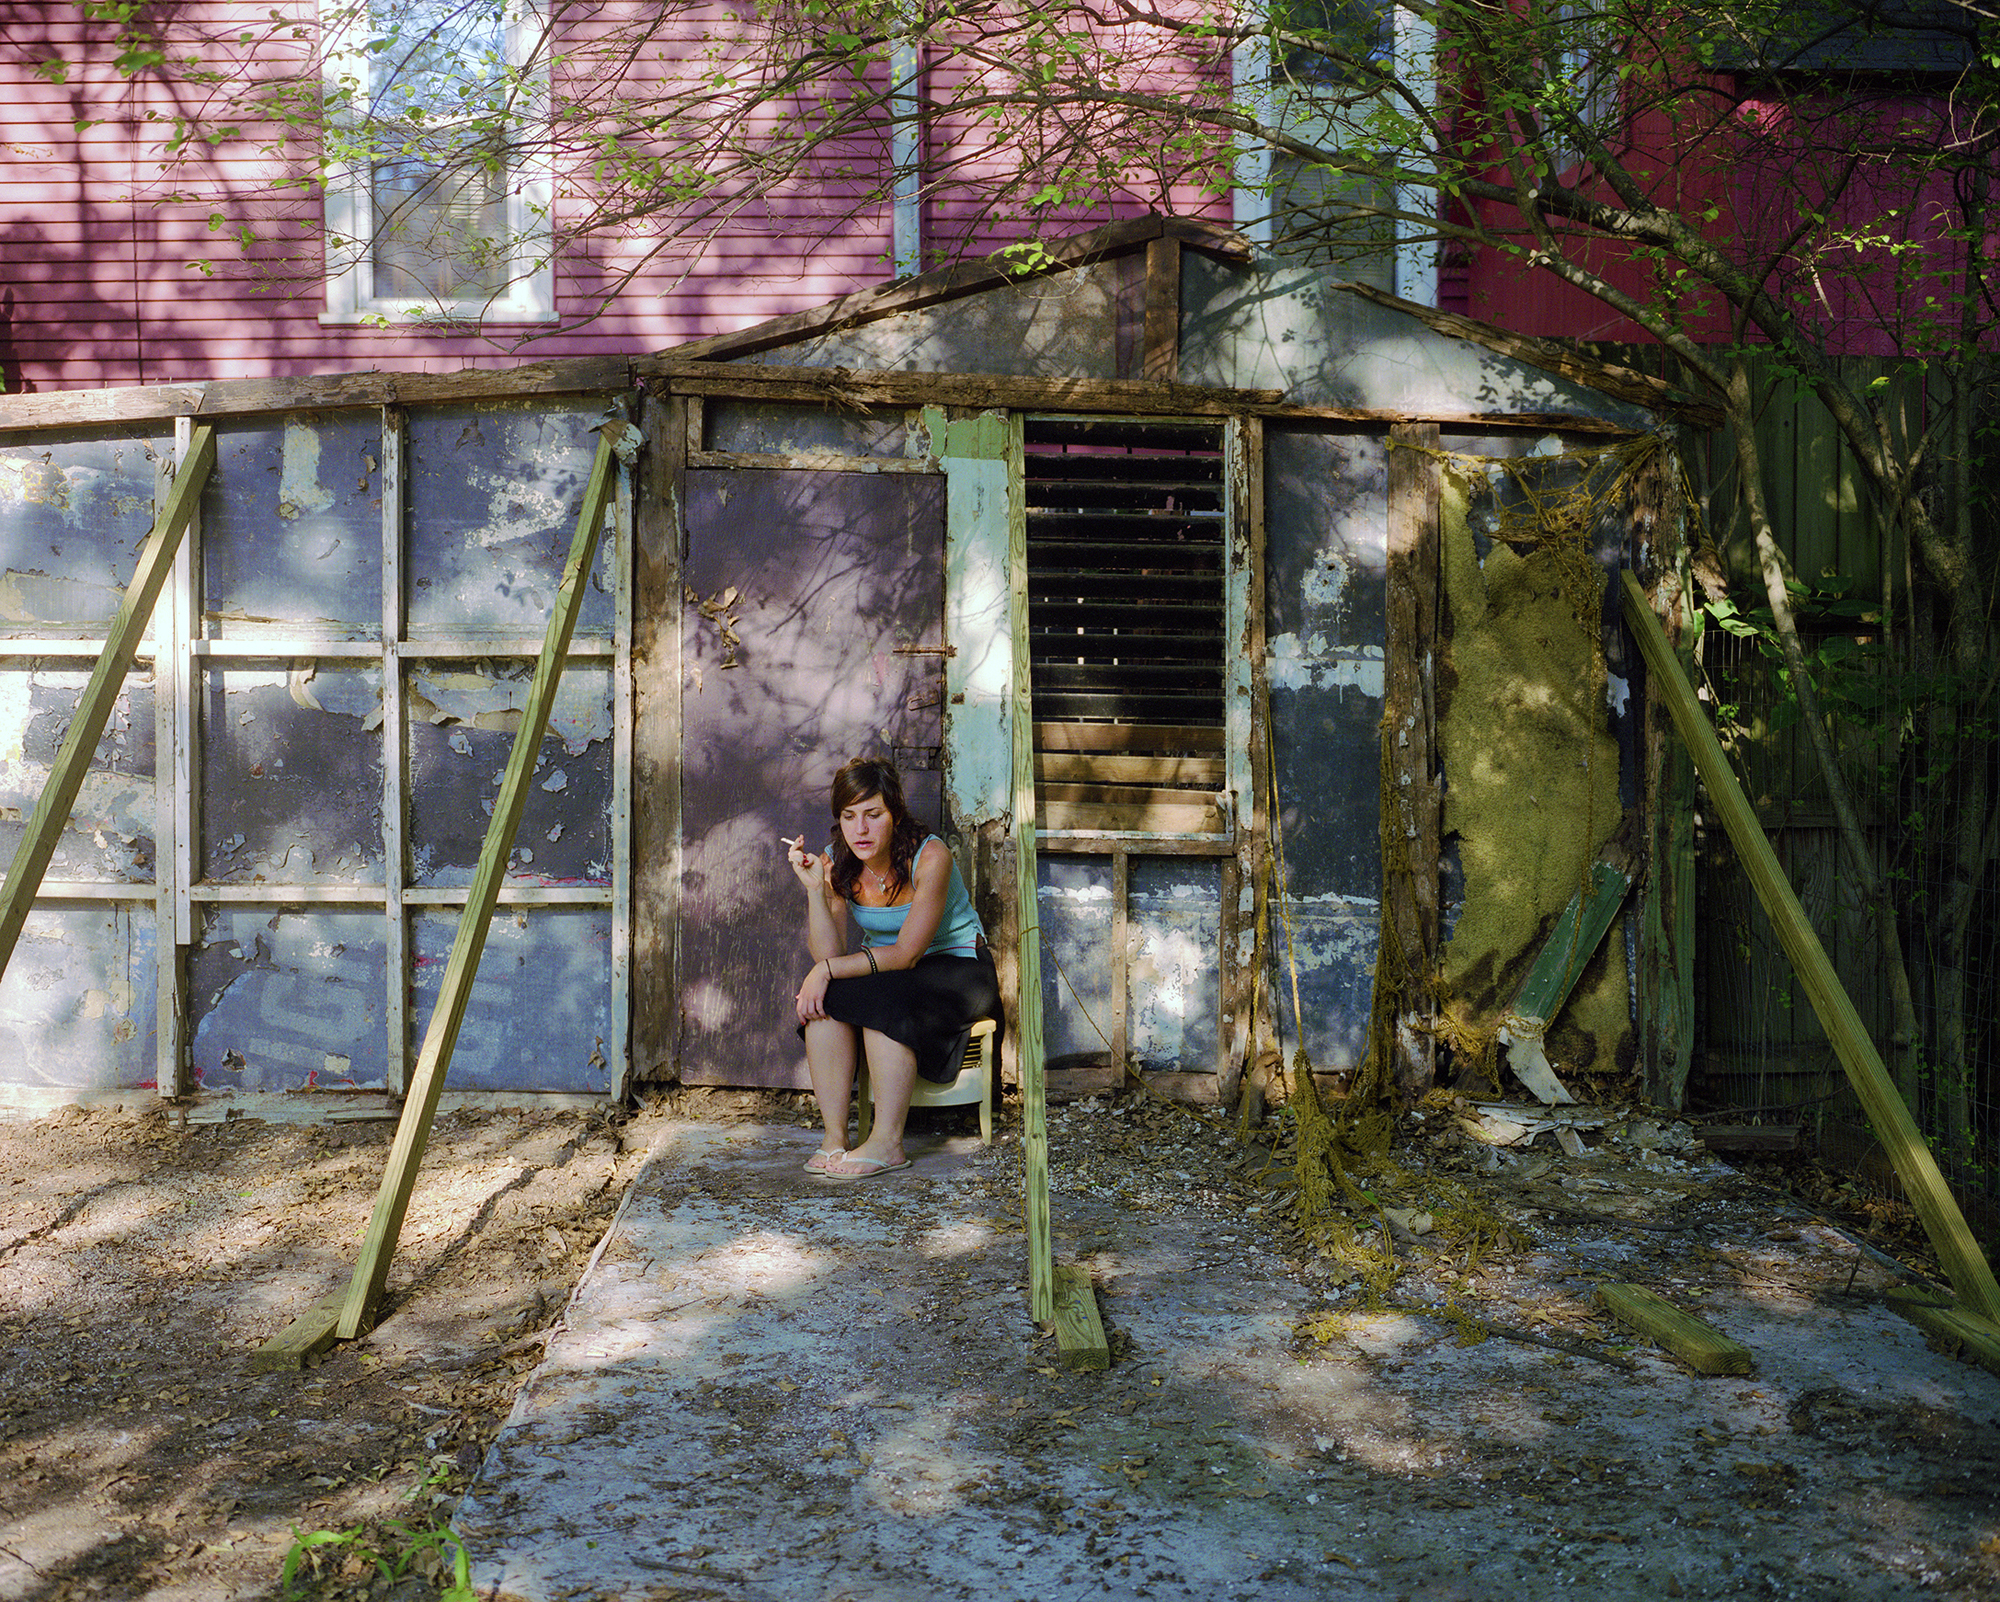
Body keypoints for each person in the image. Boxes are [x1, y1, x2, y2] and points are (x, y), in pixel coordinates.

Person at [784, 757, 1001, 1179]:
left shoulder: (931, 855)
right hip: (892, 971)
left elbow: (906, 954)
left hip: (958, 967)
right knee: (827, 1001)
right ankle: (834, 1138)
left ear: (895, 815)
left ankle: (887, 1142)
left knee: (880, 994)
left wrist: (826, 971)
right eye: (849, 817)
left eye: (873, 815)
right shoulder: (838, 861)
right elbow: (826, 951)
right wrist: (815, 892)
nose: (860, 829)